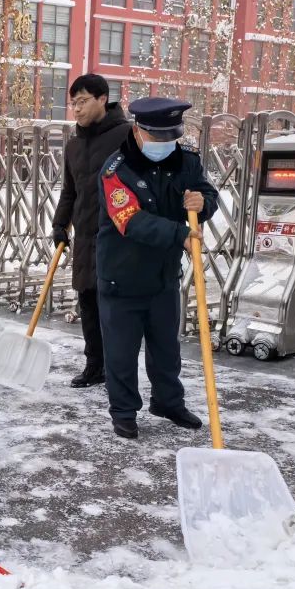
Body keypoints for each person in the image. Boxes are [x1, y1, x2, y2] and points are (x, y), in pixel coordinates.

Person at [95, 97, 219, 440]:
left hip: (163, 277)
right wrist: (179, 234)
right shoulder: (115, 170)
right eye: (157, 138)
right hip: (122, 277)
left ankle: (167, 402)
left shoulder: (186, 162)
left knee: (167, 348)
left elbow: (208, 193)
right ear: (138, 131)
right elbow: (130, 220)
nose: (165, 145)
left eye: (170, 138)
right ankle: (123, 411)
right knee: (121, 353)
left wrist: (203, 202)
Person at [52, 74, 133, 388]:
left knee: (113, 308)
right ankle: (94, 367)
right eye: (73, 103)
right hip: (85, 237)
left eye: (82, 101)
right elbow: (69, 192)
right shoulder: (74, 144)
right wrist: (60, 225)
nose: (77, 109)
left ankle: (120, 372)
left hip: (118, 237)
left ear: (103, 99)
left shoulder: (127, 136)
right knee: (87, 301)